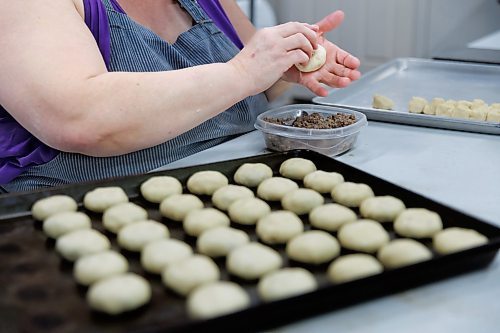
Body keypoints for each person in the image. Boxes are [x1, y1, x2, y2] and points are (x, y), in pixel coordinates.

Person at [0, 0, 361, 193]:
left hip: (250, 193)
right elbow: (80, 119)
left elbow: (261, 82)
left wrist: (289, 61)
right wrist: (242, 73)